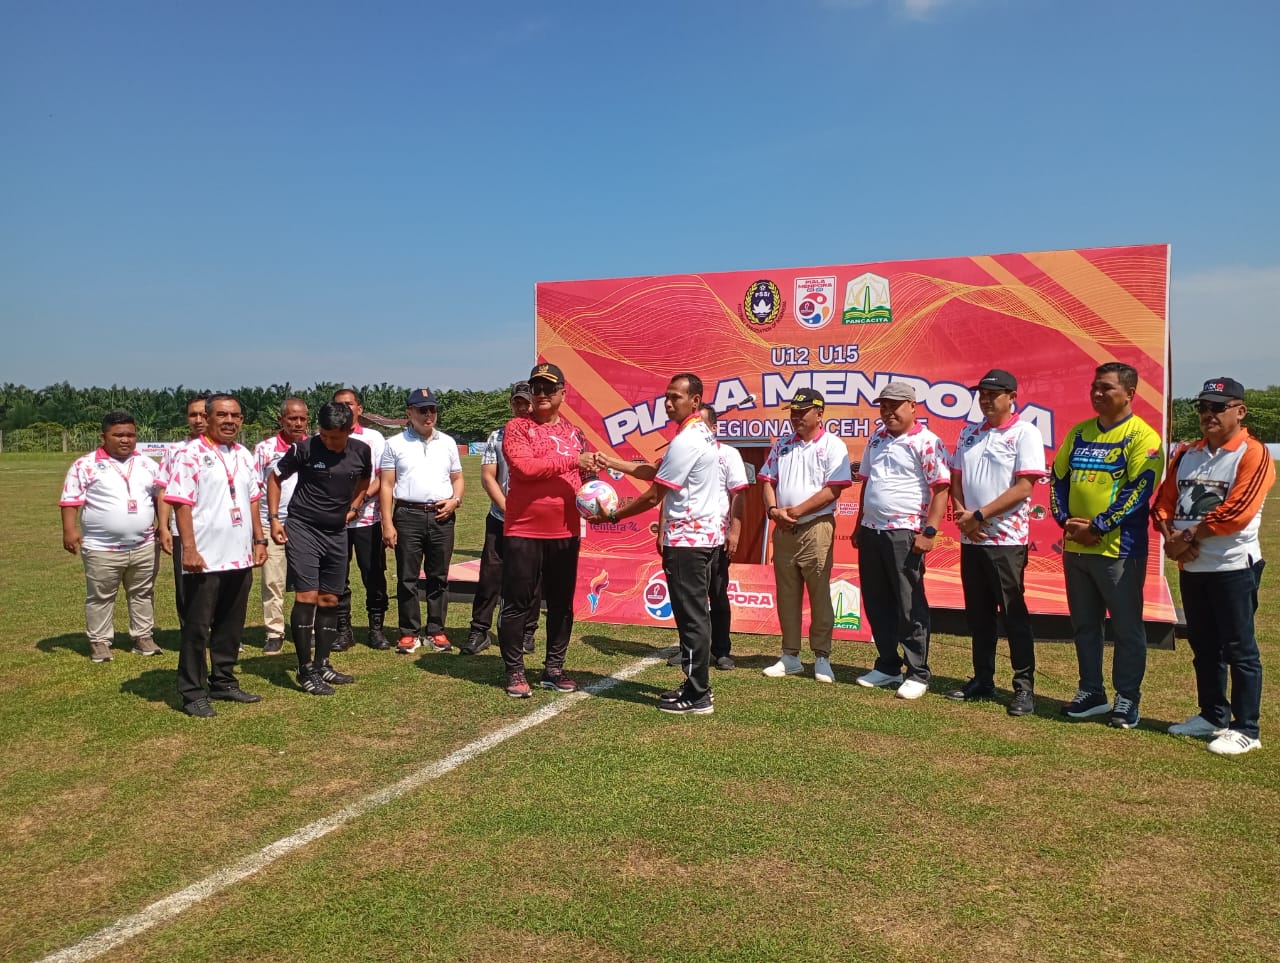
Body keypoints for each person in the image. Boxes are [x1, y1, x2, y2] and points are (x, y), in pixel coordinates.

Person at [1152, 377, 1274, 756]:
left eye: (1218, 407)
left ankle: (1246, 728)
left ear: (1240, 411)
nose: (1208, 414)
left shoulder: (1252, 453)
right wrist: (1171, 536)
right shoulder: (1188, 452)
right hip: (1193, 567)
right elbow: (1163, 501)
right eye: (1202, 407)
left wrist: (1185, 539)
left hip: (1233, 565)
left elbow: (1237, 512)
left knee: (1239, 648)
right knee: (1204, 646)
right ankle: (1212, 714)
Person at [599, 374, 722, 714]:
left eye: (676, 397)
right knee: (692, 616)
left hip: (688, 542)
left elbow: (655, 493)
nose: (669, 403)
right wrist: (612, 463)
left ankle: (698, 694)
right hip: (699, 539)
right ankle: (694, 684)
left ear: (695, 401)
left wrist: (612, 517)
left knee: (692, 617)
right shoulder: (696, 435)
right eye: (666, 397)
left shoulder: (688, 441)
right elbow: (655, 472)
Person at [1050, 361, 1163, 729]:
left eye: (1107, 388)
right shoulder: (1080, 432)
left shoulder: (1142, 437)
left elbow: (1138, 492)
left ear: (1129, 393)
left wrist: (1098, 527)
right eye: (1095, 387)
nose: (1097, 394)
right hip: (1077, 549)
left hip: (1119, 550)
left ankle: (1127, 698)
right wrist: (1066, 522)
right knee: (1085, 625)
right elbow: (1057, 479)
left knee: (1127, 628)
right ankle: (1091, 691)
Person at [946, 369, 1047, 716]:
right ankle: (983, 679)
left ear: (1012, 396)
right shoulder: (969, 433)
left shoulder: (1025, 433)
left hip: (1006, 540)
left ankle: (1023, 687)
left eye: (994, 394)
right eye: (982, 394)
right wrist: (963, 515)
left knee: (1013, 615)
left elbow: (1024, 488)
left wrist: (980, 515)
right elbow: (956, 479)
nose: (986, 399)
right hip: (971, 538)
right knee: (979, 615)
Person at [163, 394, 268, 717]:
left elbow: (252, 499)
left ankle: (223, 680)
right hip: (204, 557)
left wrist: (259, 538)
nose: (229, 421)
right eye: (222, 414)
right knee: (197, 626)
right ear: (206, 418)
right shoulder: (190, 454)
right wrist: (189, 549)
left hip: (238, 555)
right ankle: (192, 691)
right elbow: (181, 502)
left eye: (235, 415)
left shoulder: (244, 455)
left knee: (230, 624)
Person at [499, 362, 596, 698]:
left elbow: (589, 478)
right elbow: (524, 468)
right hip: (524, 529)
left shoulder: (576, 434)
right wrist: (573, 462)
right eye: (535, 388)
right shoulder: (516, 427)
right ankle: (514, 671)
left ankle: (554, 669)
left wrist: (598, 500)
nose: (540, 394)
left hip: (566, 532)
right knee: (518, 603)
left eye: (548, 389)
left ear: (562, 395)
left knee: (561, 604)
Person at [854, 381, 950, 700]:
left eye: (895, 405)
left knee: (909, 603)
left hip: (905, 532)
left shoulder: (927, 442)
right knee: (877, 600)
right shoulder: (877, 438)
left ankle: (918, 672)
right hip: (871, 530)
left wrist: (930, 531)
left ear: (912, 407)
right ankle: (888, 665)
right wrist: (858, 525)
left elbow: (940, 489)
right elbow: (867, 484)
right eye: (883, 405)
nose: (888, 411)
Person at [268, 402, 372, 696]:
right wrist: (275, 519)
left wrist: (355, 506)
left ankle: (323, 663)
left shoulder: (361, 451)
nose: (327, 441)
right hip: (303, 528)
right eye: (323, 435)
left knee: (330, 598)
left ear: (349, 430)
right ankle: (305, 670)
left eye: (334, 437)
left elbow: (365, 479)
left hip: (337, 532)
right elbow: (275, 477)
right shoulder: (304, 449)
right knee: (307, 595)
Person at [759, 389, 852, 684]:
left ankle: (821, 656)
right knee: (787, 593)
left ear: (819, 413)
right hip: (784, 528)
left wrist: (796, 511)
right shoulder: (782, 445)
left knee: (819, 592)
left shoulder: (833, 445)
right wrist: (774, 510)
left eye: (802, 412)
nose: (796, 417)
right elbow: (767, 481)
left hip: (815, 527)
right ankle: (790, 656)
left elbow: (833, 490)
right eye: (793, 412)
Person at [59, 410, 164, 662]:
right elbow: (70, 500)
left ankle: (142, 636)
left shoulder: (148, 464)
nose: (125, 439)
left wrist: (164, 525)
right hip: (101, 546)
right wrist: (70, 530)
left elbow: (160, 497)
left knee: (142, 592)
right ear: (103, 436)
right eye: (118, 435)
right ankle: (100, 641)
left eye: (130, 434)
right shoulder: (85, 464)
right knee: (101, 596)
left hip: (144, 544)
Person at [380, 388, 464, 655]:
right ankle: (408, 632)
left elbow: (458, 479)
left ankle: (436, 631)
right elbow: (386, 485)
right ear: (409, 413)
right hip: (407, 515)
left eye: (432, 410)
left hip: (442, 515)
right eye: (422, 410)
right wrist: (387, 523)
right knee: (407, 577)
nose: (429, 415)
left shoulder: (448, 442)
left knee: (438, 577)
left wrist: (455, 500)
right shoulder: (394, 444)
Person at [464, 381, 539, 656]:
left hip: (534, 523)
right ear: (511, 404)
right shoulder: (497, 436)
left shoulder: (544, 435)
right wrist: (507, 509)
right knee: (490, 577)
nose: (523, 406)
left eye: (527, 401)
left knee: (531, 579)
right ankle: (479, 631)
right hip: (500, 518)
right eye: (518, 401)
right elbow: (487, 477)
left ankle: (527, 632)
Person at [332, 388, 389, 651]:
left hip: (368, 520)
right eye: (339, 405)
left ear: (359, 408)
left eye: (349, 404)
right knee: (337, 578)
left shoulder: (373, 438)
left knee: (374, 575)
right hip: (336, 522)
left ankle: (376, 629)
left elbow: (382, 478)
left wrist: (359, 502)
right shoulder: (327, 436)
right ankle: (343, 630)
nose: (345, 409)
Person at [254, 398, 309, 655]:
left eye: (302, 419)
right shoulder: (264, 449)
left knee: (308, 581)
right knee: (273, 581)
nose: (298, 423)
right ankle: (274, 632)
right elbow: (254, 489)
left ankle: (307, 627)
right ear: (281, 420)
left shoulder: (315, 446)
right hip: (271, 523)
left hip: (306, 525)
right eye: (292, 419)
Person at [699, 404, 749, 671]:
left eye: (703, 425)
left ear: (715, 428)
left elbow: (738, 494)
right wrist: (662, 531)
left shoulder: (728, 454)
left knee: (717, 594)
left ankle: (721, 650)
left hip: (717, 537)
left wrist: (735, 530)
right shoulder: (684, 453)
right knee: (690, 599)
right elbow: (668, 495)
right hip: (688, 539)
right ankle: (690, 650)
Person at [155, 394, 208, 628]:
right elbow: (165, 489)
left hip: (216, 529)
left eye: (203, 414)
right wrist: (164, 526)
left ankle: (220, 630)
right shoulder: (175, 450)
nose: (198, 420)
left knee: (219, 580)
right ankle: (190, 630)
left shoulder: (229, 451)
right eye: (193, 414)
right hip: (182, 529)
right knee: (185, 582)